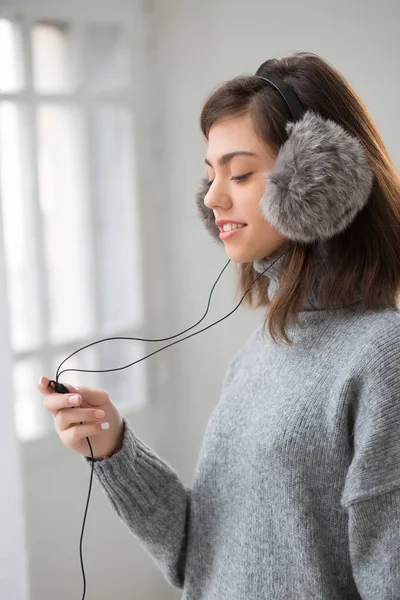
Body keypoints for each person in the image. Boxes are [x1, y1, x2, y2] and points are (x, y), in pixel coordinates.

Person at [38, 51, 400, 599]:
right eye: (210, 176)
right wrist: (113, 449)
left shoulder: (382, 358)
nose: (211, 198)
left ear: (317, 179)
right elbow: (201, 558)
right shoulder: (265, 349)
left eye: (240, 172)